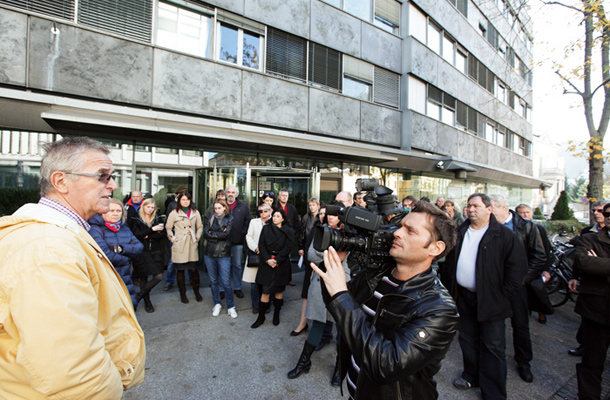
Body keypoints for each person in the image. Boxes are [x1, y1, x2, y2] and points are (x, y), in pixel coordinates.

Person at [0, 136, 145, 398]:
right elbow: (75, 378)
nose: (112, 185)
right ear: (61, 181)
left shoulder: (58, 237)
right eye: (102, 176)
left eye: (111, 176)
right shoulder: (47, 250)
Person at [311, 201, 459, 398]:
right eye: (400, 226)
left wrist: (341, 295)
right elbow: (337, 306)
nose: (397, 233)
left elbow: (385, 365)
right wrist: (332, 264)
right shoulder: (378, 276)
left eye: (410, 231)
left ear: (435, 248)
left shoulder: (439, 309)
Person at [440, 193, 527, 400]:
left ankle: (494, 392)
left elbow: (517, 270)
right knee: (468, 340)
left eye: (476, 206)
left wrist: (503, 296)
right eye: (468, 206)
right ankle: (472, 375)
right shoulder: (459, 232)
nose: (470, 209)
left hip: (492, 301)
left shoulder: (504, 236)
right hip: (464, 297)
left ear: (489, 209)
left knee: (493, 346)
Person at [287, 202, 349, 385]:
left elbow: (342, 258)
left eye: (335, 214)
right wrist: (331, 256)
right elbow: (311, 255)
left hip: (341, 286)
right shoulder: (319, 230)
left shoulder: (349, 234)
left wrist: (325, 256)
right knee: (317, 324)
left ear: (342, 217)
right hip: (319, 283)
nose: (330, 217)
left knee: (342, 331)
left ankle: (340, 367)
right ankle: (303, 362)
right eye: (328, 214)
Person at [490, 194, 546, 383]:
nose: (488, 213)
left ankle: (524, 362)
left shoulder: (527, 226)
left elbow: (539, 256)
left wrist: (523, 279)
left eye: (491, 209)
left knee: (520, 325)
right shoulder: (487, 226)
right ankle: (492, 360)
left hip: (517, 286)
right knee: (491, 324)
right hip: (493, 286)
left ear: (503, 208)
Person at [573, 202, 610, 399]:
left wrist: (600, 264)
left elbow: (593, 264)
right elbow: (584, 263)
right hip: (596, 310)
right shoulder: (589, 238)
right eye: (607, 213)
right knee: (592, 361)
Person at [89, 198, 144, 308]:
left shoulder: (124, 229)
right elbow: (105, 254)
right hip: (105, 279)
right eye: (111, 210)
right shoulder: (95, 229)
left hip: (125, 278)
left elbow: (139, 247)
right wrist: (126, 259)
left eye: (118, 211)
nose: (115, 214)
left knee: (128, 309)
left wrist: (121, 249)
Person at [251, 209, 295, 328]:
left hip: (281, 263)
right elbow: (262, 245)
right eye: (274, 215)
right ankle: (261, 317)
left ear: (283, 219)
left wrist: (277, 260)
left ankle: (276, 314)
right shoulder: (266, 228)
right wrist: (267, 259)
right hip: (267, 263)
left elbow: (288, 247)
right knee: (265, 291)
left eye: (277, 216)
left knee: (278, 291)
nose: (275, 218)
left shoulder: (288, 231)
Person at [516, 203, 553, 324]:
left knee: (538, 293)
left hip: (536, 267)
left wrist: (546, 269)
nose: (525, 214)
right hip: (523, 266)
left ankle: (541, 313)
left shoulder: (538, 228)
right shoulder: (517, 228)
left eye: (527, 212)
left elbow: (545, 250)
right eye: (522, 212)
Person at [166, 191, 204, 304]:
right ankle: (183, 294)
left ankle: (197, 292)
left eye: (187, 199)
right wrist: (173, 239)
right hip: (180, 243)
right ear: (179, 201)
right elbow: (168, 227)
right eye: (183, 199)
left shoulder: (195, 212)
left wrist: (197, 237)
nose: (185, 202)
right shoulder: (174, 213)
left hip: (191, 243)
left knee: (193, 269)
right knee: (180, 270)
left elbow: (200, 226)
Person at [130, 198, 166, 313]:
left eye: (152, 208)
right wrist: (152, 230)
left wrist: (148, 235)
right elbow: (137, 235)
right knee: (143, 277)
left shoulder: (157, 217)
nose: (150, 210)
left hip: (155, 251)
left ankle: (139, 295)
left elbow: (162, 235)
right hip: (141, 251)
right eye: (148, 207)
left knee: (159, 276)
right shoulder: (136, 218)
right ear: (143, 207)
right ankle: (147, 302)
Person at [293, 198, 321, 336]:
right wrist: (301, 247)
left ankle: (319, 330)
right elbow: (302, 234)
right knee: (306, 290)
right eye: (309, 205)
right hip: (308, 253)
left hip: (321, 261)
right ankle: (302, 323)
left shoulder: (324, 225)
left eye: (314, 205)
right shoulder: (306, 217)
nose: (311, 207)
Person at [204, 199, 237, 318]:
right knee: (213, 281)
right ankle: (217, 303)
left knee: (226, 282)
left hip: (223, 253)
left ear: (224, 207)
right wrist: (218, 234)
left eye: (219, 208)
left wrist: (213, 233)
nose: (217, 210)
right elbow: (205, 233)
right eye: (215, 208)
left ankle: (230, 306)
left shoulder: (230, 218)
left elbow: (226, 235)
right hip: (209, 253)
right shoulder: (210, 218)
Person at [244, 203, 273, 314]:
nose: (263, 213)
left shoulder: (274, 221)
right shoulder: (253, 222)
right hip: (255, 254)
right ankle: (255, 306)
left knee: (268, 282)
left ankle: (267, 305)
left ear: (270, 211)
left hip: (269, 256)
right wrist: (256, 248)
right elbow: (249, 236)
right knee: (254, 283)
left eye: (265, 211)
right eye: (260, 211)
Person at [226, 185, 251, 299]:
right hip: (222, 241)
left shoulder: (243, 206)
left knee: (237, 265)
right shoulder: (221, 205)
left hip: (238, 241)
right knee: (224, 266)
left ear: (236, 194)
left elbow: (247, 221)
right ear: (226, 193)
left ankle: (237, 287)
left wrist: (243, 233)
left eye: (233, 192)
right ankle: (224, 289)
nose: (230, 194)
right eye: (229, 192)